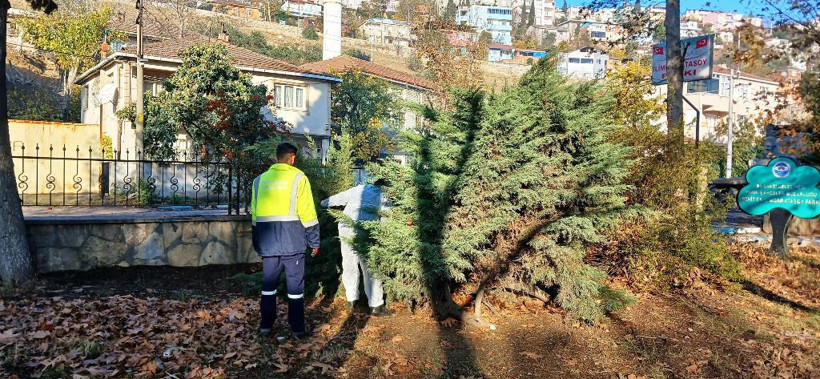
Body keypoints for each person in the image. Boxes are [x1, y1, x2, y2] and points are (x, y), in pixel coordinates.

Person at [251, 143, 320, 339]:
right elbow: (308, 213)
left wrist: (257, 242)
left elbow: (255, 217)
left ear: (276, 157)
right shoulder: (299, 178)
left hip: (268, 244)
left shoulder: (258, 181)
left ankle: (265, 326)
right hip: (293, 244)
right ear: (292, 158)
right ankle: (297, 329)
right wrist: (314, 242)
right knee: (295, 288)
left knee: (268, 286)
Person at [321, 179, 390, 316]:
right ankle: (376, 305)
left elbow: (333, 200)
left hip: (346, 228)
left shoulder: (358, 189)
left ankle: (352, 299)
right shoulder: (384, 195)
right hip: (365, 229)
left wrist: (323, 202)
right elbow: (386, 219)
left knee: (349, 263)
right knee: (370, 267)